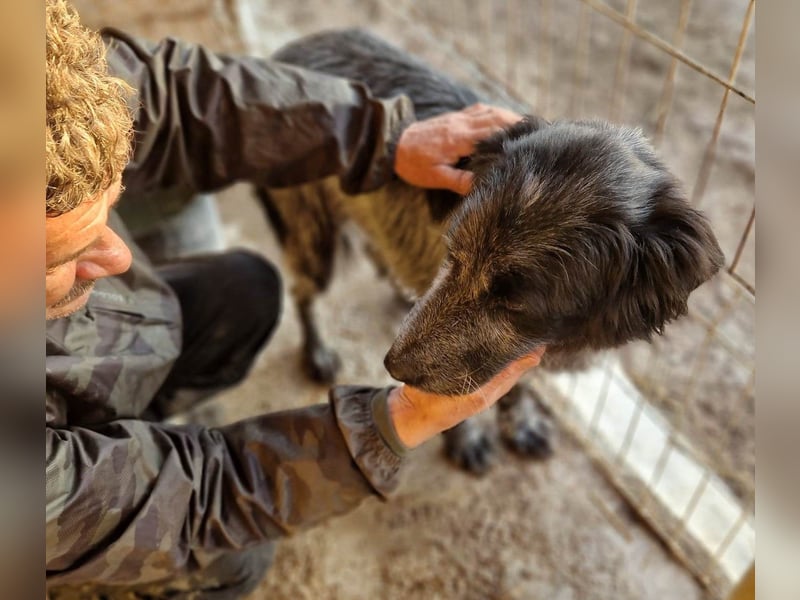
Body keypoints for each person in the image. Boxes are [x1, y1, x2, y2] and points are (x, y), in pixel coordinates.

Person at [44, 1, 544, 598]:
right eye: (55, 255)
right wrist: (388, 427)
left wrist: (379, 136)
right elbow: (198, 506)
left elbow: (166, 98)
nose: (120, 257)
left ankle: (117, 432)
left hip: (75, 356)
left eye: (106, 215)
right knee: (236, 555)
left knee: (246, 292)